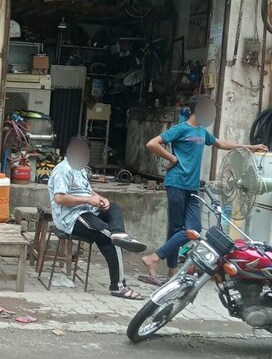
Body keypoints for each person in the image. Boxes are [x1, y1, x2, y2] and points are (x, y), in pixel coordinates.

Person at [141, 96, 267, 283]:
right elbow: (152, 143)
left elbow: (222, 144)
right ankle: (170, 270)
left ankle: (155, 258)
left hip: (192, 186)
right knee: (177, 228)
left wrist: (250, 147)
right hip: (176, 183)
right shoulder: (180, 128)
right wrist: (173, 159)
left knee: (193, 228)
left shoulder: (202, 132)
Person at [48, 136, 147, 300]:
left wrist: (100, 199)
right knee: (108, 238)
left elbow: (87, 192)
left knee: (113, 208)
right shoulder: (63, 170)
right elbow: (60, 198)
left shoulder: (80, 169)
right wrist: (89, 200)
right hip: (72, 217)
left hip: (88, 211)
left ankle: (119, 233)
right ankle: (118, 286)